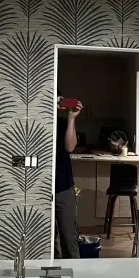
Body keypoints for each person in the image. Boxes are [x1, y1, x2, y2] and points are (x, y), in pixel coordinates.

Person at [54, 92, 83, 258]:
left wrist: (72, 118)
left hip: (64, 187)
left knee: (69, 238)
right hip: (42, 189)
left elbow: (70, 147)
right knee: (48, 240)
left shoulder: (63, 123)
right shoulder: (37, 123)